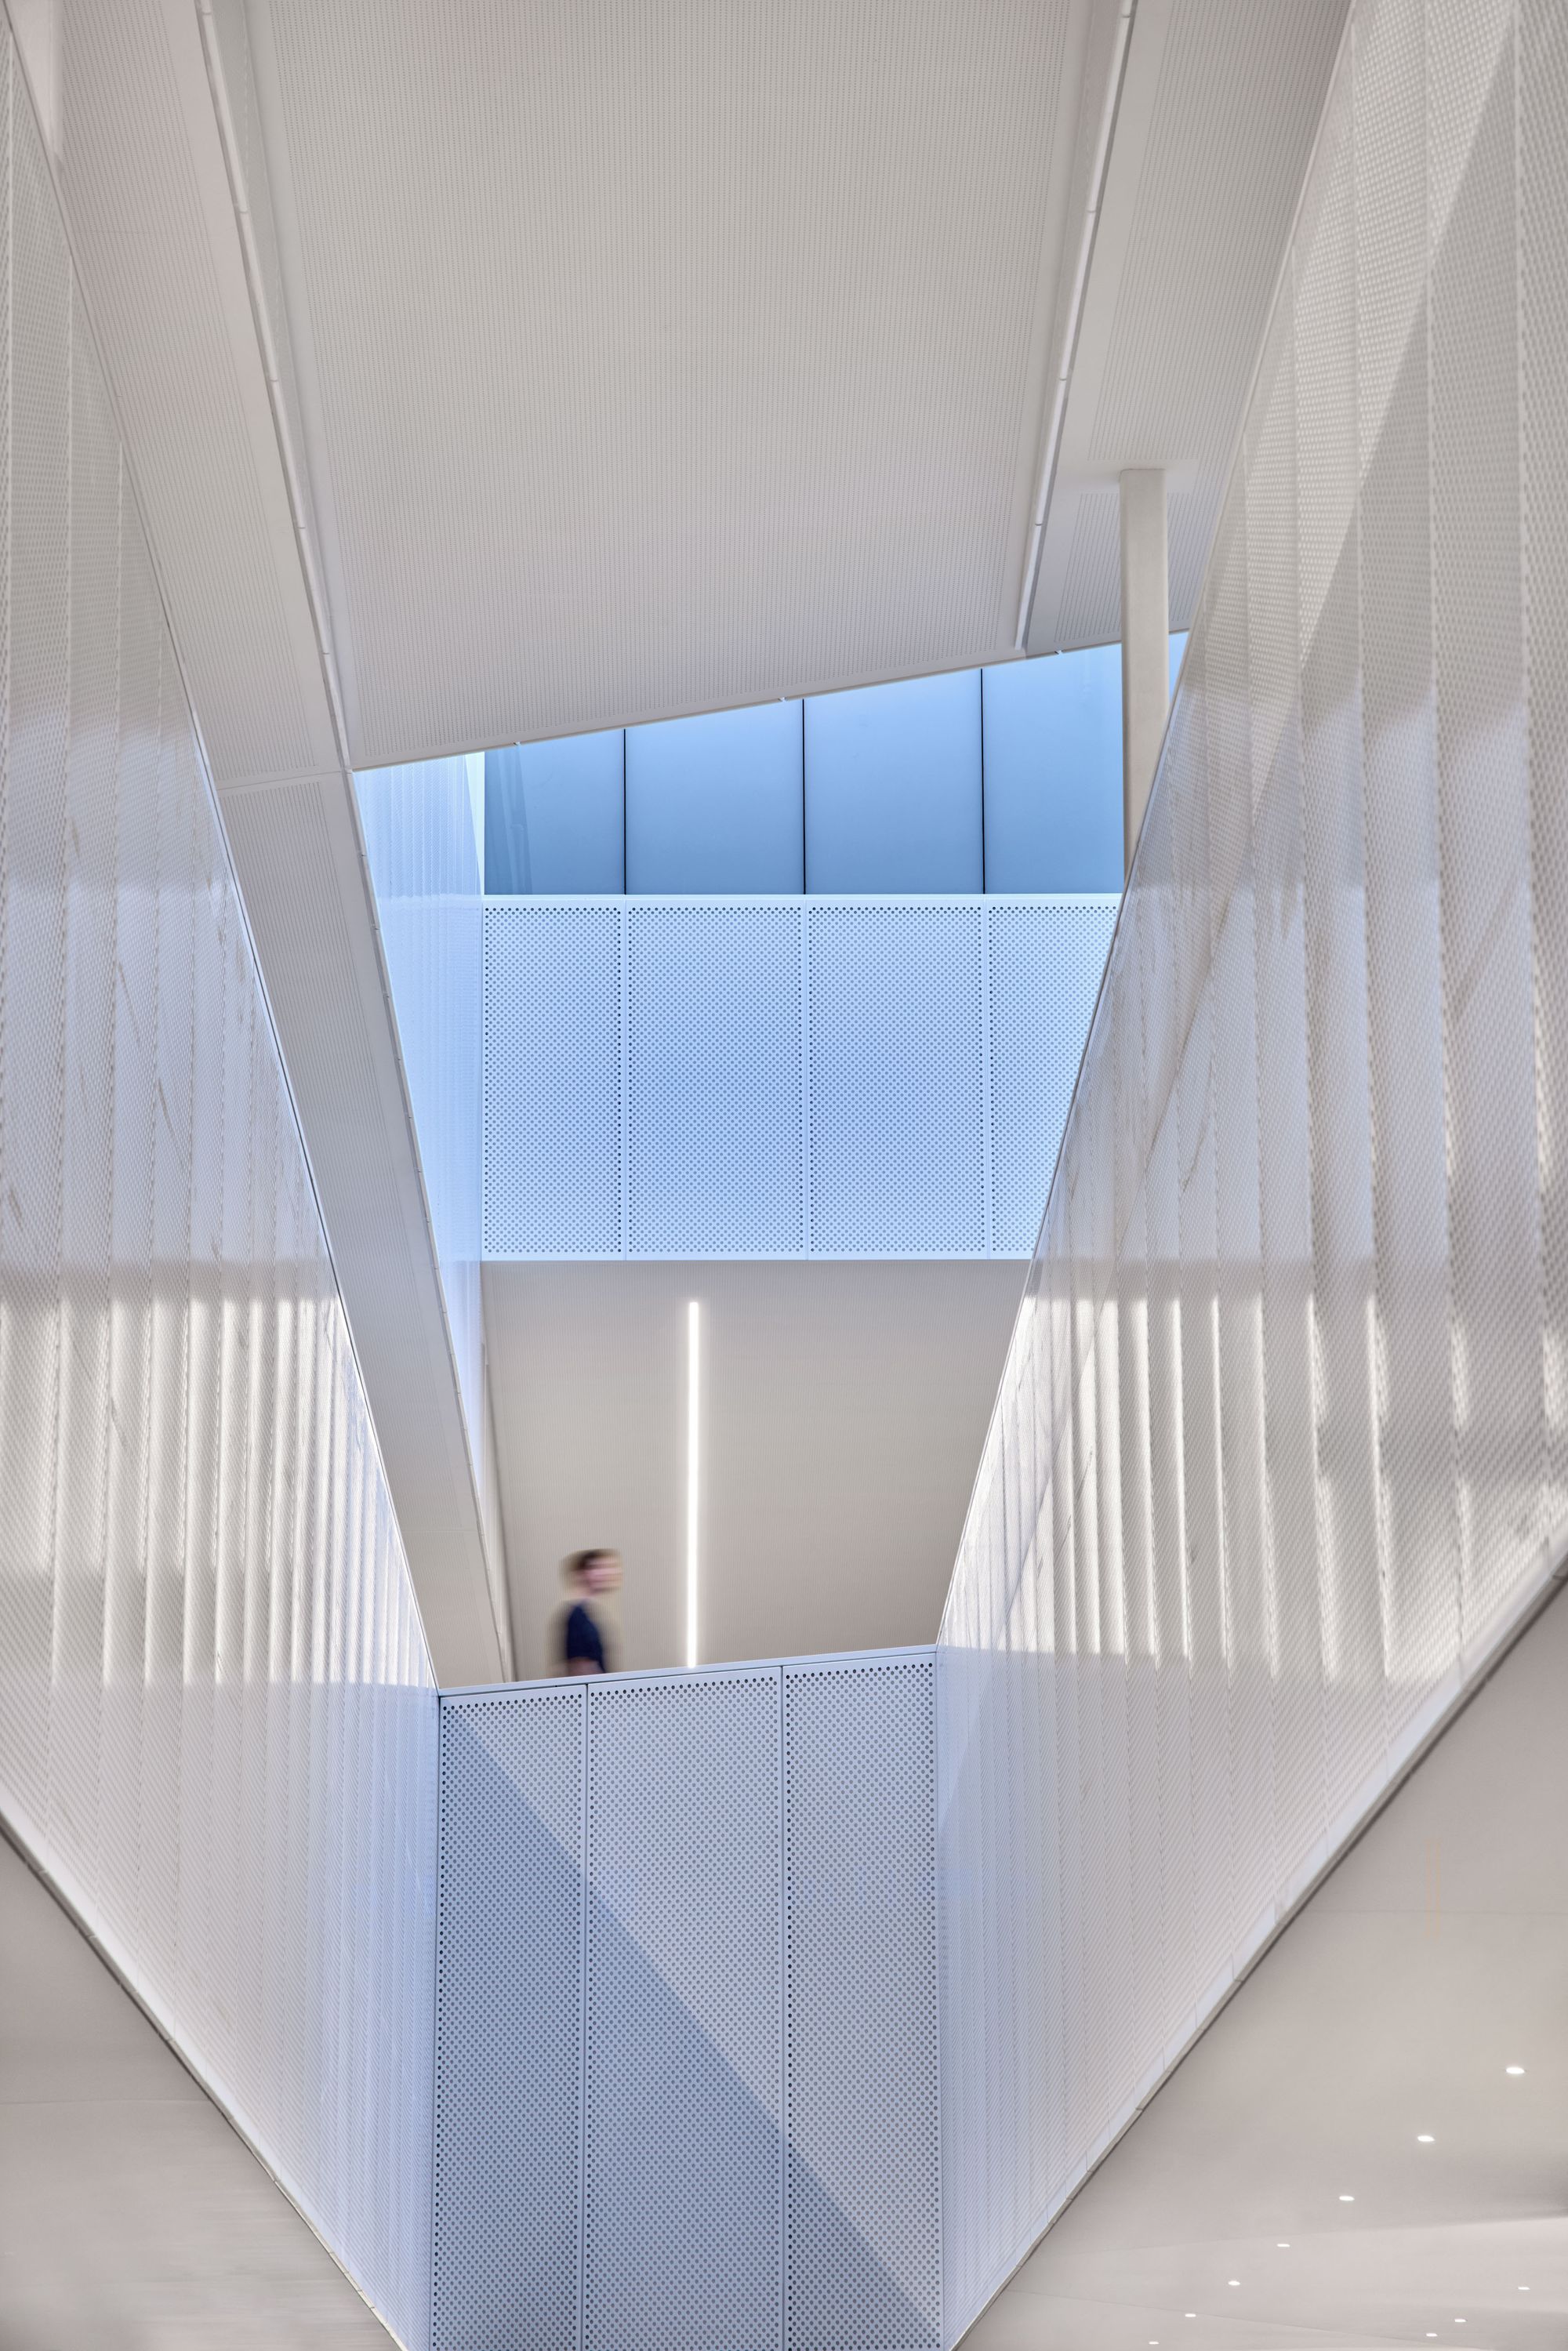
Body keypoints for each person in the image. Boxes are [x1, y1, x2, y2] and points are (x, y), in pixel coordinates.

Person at [557, 1547, 622, 1676]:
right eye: (598, 1568)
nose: (607, 1573)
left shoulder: (586, 1614)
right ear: (583, 1573)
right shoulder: (576, 1616)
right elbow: (579, 1666)